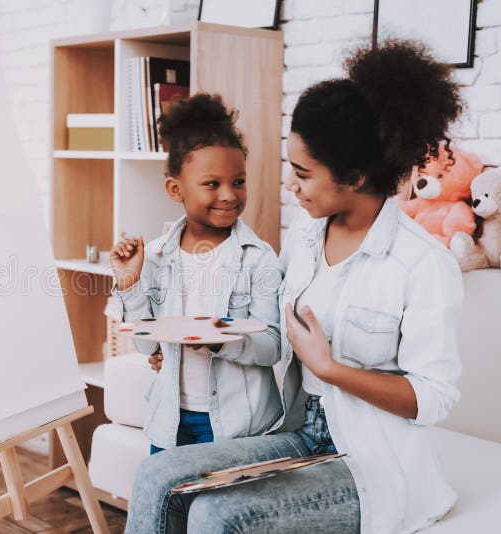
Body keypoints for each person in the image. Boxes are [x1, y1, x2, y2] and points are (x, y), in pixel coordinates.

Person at [127, 39, 464, 533]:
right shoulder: (304, 241)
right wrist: (178, 343)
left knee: (217, 514)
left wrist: (330, 368)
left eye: (303, 173)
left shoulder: (421, 264)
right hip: (302, 431)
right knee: (157, 473)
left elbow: (434, 398)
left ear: (355, 175)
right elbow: (262, 326)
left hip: (370, 460)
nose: (290, 185)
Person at [110, 93, 283, 454]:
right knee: (170, 506)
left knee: (214, 511)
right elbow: (147, 344)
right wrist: (130, 284)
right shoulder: (156, 255)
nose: (228, 195)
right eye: (211, 184)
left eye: (238, 181)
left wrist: (221, 340)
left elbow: (273, 348)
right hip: (169, 418)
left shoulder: (259, 258)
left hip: (237, 425)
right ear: (176, 189)